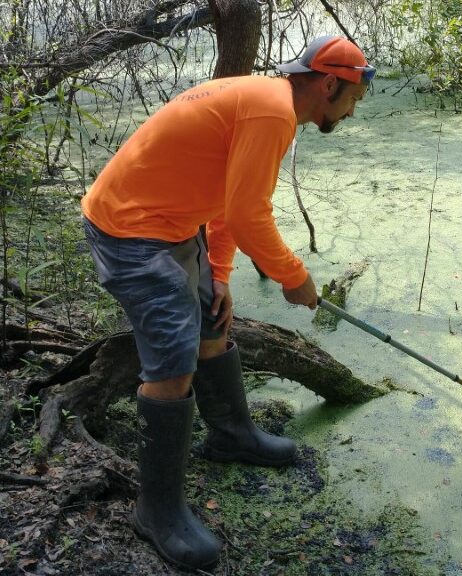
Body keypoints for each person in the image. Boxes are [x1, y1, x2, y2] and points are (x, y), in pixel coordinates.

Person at [80, 36, 375, 570]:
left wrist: (218, 274)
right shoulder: (272, 111)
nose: (355, 108)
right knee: (172, 363)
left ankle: (233, 435)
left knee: (212, 322)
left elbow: (227, 199)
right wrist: (294, 277)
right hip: (131, 230)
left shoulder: (266, 102)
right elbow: (247, 212)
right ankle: (157, 511)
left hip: (172, 223)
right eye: (356, 94)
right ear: (330, 82)